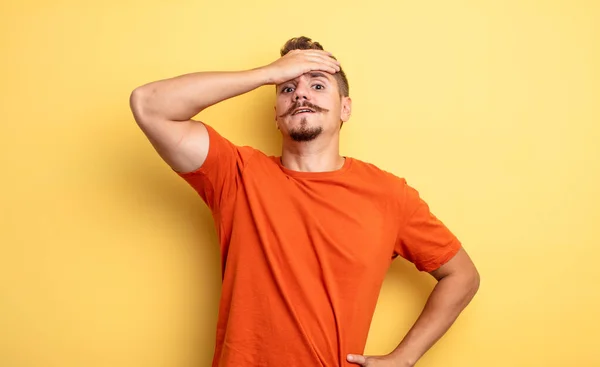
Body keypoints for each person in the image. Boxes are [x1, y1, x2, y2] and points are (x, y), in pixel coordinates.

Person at [129, 36, 480, 367]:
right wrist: (267, 73)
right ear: (275, 113)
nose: (301, 94)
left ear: (345, 108)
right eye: (287, 87)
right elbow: (148, 103)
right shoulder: (235, 175)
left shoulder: (390, 195)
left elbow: (462, 276)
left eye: (317, 84)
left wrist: (404, 358)